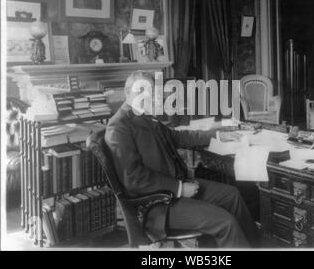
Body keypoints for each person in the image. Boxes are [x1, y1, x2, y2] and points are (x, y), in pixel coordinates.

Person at [104, 70, 259, 248]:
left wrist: (218, 135)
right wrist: (179, 188)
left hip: (175, 187)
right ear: (127, 92)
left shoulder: (146, 117)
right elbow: (134, 179)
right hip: (158, 205)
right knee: (226, 223)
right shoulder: (119, 126)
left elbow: (180, 137)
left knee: (233, 196)